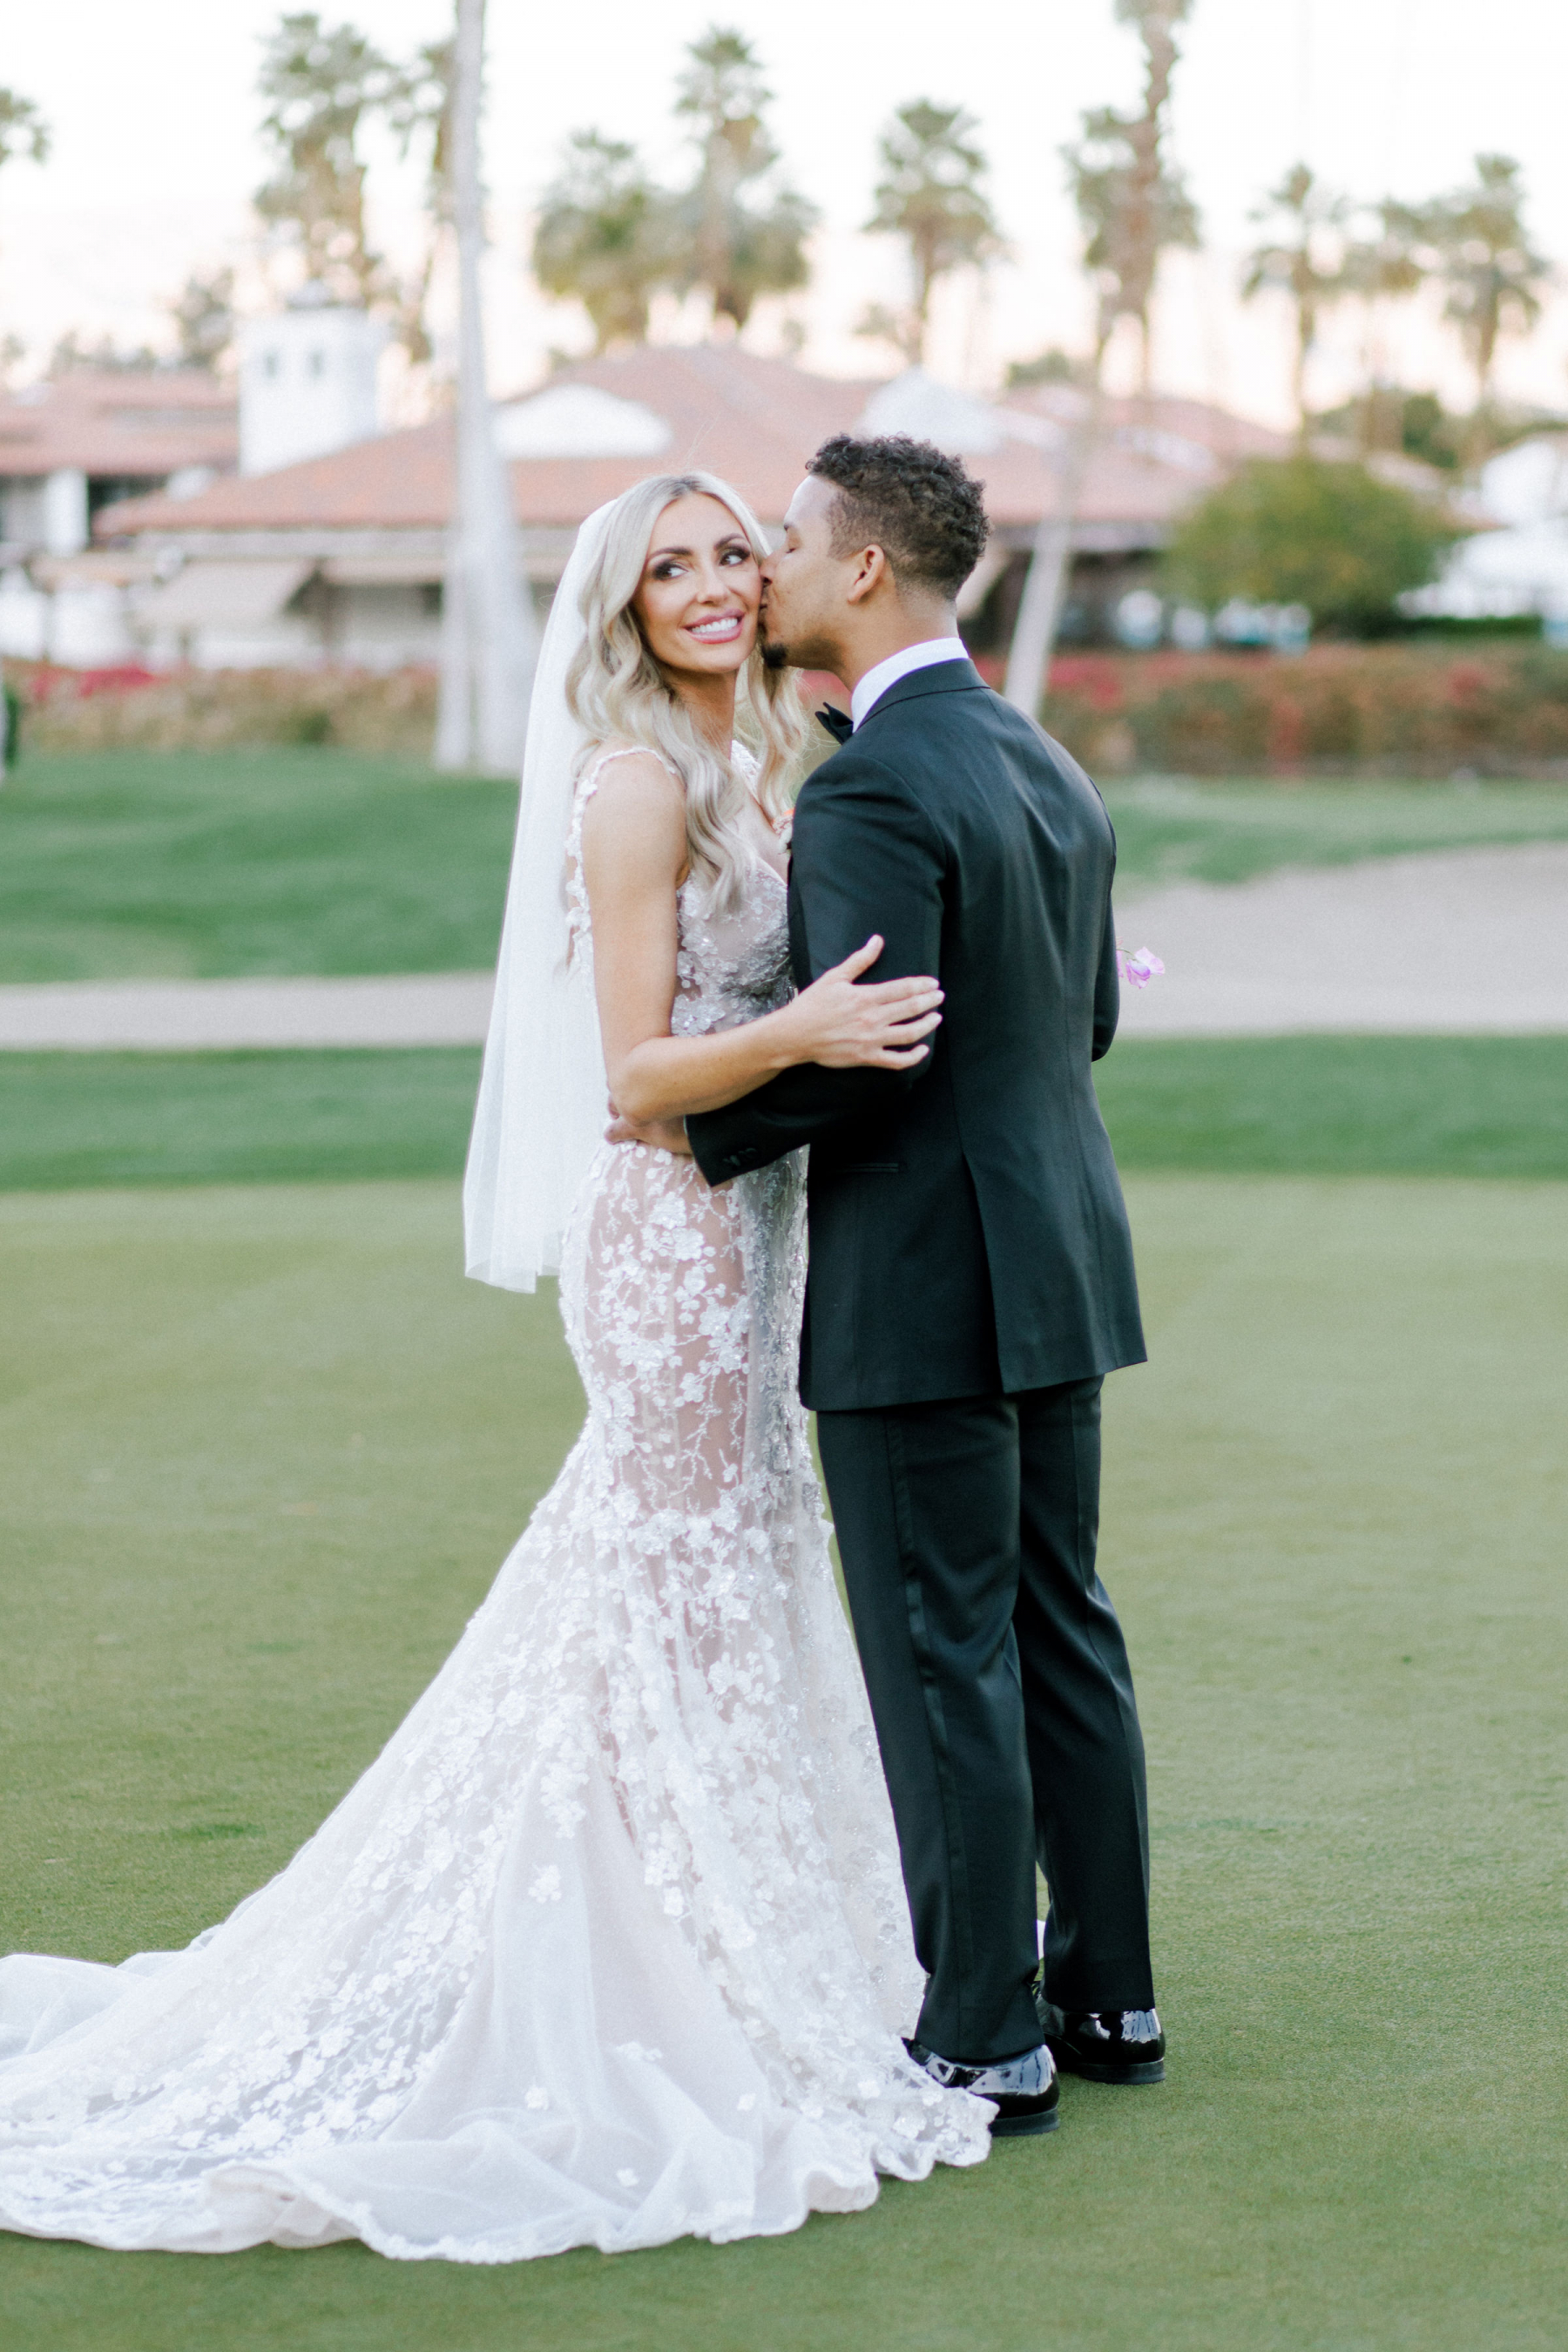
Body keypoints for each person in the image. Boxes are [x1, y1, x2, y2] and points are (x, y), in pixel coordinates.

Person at [0, 471, 997, 2268]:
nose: (706, 587)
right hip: (671, 1247)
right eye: (667, 568)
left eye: (724, 558)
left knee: (724, 1574)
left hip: (755, 1246)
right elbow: (632, 1073)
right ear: (619, 609)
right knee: (675, 1576)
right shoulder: (635, 786)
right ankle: (676, 1965)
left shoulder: (773, 751)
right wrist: (806, 1028)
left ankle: (711, 1926)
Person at [662, 432, 1165, 2098]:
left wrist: (677, 1116)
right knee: (1059, 1629)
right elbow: (1080, 1022)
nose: (766, 572)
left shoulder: (873, 780)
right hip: (1061, 1258)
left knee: (943, 1646)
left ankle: (982, 2036)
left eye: (789, 542)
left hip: (923, 1281)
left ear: (864, 569)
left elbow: (873, 1040)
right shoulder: (1046, 760)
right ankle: (1111, 2006)